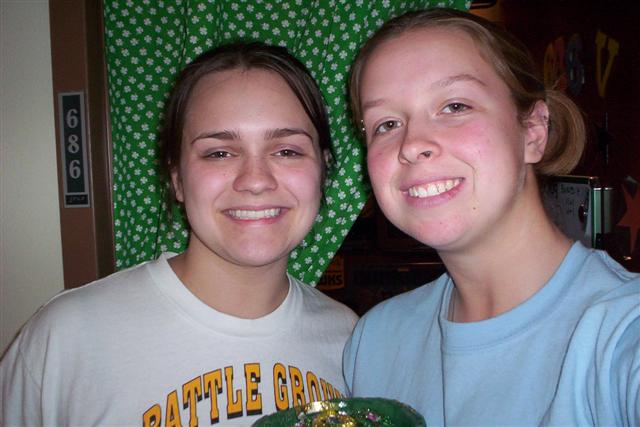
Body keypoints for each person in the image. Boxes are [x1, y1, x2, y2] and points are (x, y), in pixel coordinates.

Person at [1, 41, 357, 426]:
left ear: (323, 170)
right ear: (177, 179)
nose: (255, 181)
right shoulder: (67, 338)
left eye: (287, 151)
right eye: (219, 153)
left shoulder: (352, 341)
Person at [343, 8, 639, 426]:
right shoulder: (374, 341)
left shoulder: (621, 332)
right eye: (386, 123)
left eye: (454, 106)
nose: (411, 144)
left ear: (533, 132)